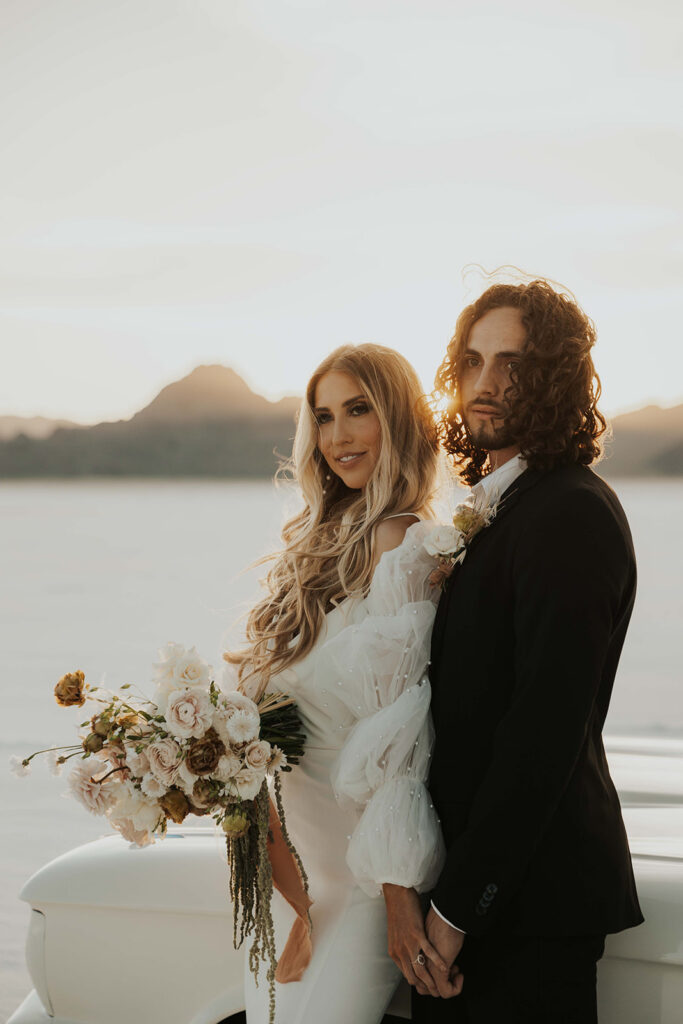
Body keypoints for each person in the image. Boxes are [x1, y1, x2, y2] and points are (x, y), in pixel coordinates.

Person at [405, 280, 644, 1023]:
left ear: (555, 377)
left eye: (511, 362)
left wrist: (452, 914)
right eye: (472, 360)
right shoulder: (501, 506)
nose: (484, 383)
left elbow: (542, 733)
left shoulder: (570, 513)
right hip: (476, 900)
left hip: (528, 910)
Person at [226, 343, 451, 1023]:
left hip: (361, 883)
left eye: (358, 410)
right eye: (322, 417)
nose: (337, 437)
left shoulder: (407, 544)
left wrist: (396, 898)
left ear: (401, 419)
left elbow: (401, 742)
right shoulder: (317, 546)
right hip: (290, 882)